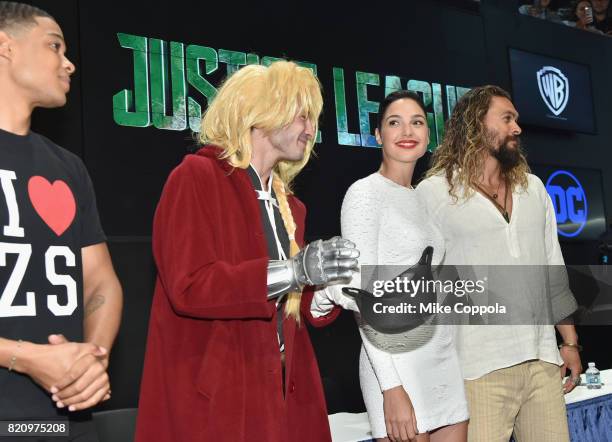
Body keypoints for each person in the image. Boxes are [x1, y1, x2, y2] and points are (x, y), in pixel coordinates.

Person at [135, 60, 360, 442]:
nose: (311, 129)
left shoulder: (291, 206)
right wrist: (294, 272)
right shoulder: (196, 177)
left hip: (283, 399)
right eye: (302, 115)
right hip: (219, 402)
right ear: (259, 113)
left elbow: (287, 308)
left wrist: (323, 295)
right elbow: (190, 285)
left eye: (313, 118)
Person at [418, 85, 581, 442]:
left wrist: (568, 343)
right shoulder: (433, 194)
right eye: (507, 119)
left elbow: (553, 269)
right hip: (476, 368)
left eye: (517, 120)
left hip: (542, 364)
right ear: (476, 125)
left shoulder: (534, 189)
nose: (517, 128)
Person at [312, 91, 469, 442]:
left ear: (429, 135)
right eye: (394, 122)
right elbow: (362, 296)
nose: (406, 131)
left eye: (417, 122)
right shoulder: (365, 194)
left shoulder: (423, 198)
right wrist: (391, 388)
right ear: (379, 135)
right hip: (397, 367)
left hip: (441, 360)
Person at [0, 2, 122, 440]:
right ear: (5, 46)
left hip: (65, 415)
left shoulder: (67, 167)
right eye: (54, 46)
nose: (68, 63)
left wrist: (93, 358)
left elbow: (100, 281)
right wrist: (25, 357)